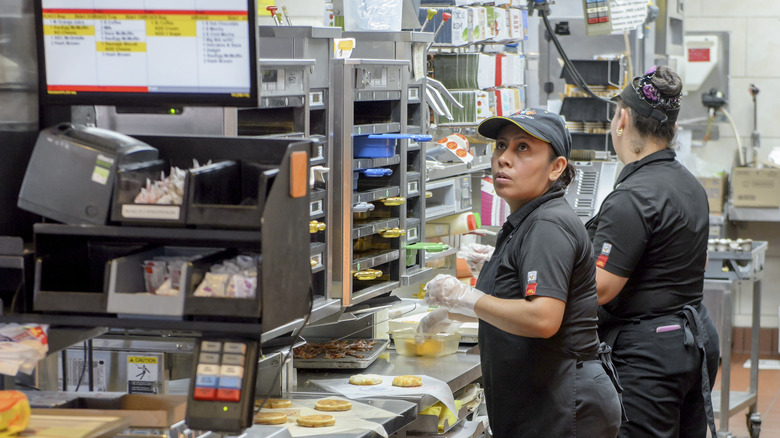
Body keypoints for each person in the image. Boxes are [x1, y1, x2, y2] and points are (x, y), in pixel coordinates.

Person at [420, 108, 622, 438]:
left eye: (523, 148)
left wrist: (467, 298)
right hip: (546, 399)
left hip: (563, 404)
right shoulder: (528, 220)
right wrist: (455, 310)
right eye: (501, 145)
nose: (504, 159)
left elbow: (542, 319)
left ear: (556, 167)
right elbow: (515, 308)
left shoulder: (547, 224)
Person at [586, 65, 720, 437]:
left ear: (622, 120)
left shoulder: (632, 196)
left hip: (650, 355)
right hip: (694, 341)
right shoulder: (689, 184)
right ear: (672, 129)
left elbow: (601, 288)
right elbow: (698, 259)